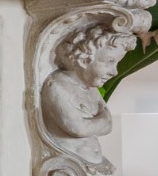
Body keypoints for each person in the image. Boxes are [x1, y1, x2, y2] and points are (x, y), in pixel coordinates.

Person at [41, 26, 135, 163]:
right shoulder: (56, 85)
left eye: (116, 63)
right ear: (83, 60)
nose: (114, 72)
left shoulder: (91, 88)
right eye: (109, 62)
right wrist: (102, 120)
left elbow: (109, 126)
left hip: (92, 163)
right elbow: (78, 128)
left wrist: (95, 123)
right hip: (67, 165)